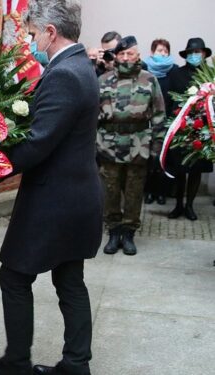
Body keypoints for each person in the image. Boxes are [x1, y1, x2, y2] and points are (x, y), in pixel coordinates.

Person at [0, 1, 102, 374]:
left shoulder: (65, 73)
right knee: (69, 280)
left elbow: (38, 143)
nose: (30, 41)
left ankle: (16, 363)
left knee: (13, 275)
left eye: (31, 34)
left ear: (50, 32)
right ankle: (76, 365)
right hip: (76, 195)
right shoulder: (78, 66)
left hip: (55, 200)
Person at [97, 36, 166, 256]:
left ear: (138, 55)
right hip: (109, 144)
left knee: (134, 191)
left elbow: (158, 115)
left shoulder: (149, 80)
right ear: (115, 56)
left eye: (130, 53)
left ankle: (128, 233)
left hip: (138, 144)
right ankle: (114, 232)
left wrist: (156, 147)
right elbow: (91, 117)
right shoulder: (103, 80)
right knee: (110, 190)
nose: (125, 57)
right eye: (121, 54)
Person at [166, 37, 214, 221]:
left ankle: (190, 206)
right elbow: (169, 100)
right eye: (191, 53)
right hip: (181, 128)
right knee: (180, 168)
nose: (195, 55)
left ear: (204, 54)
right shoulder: (176, 74)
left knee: (196, 169)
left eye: (198, 52)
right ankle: (178, 205)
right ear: (186, 55)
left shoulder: (211, 74)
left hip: (203, 130)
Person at [142, 39, 176, 205]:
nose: (163, 54)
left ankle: (161, 192)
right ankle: (148, 192)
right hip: (147, 122)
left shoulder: (174, 71)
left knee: (164, 159)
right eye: (159, 50)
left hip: (168, 122)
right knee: (149, 159)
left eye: (165, 51)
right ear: (152, 52)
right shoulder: (144, 69)